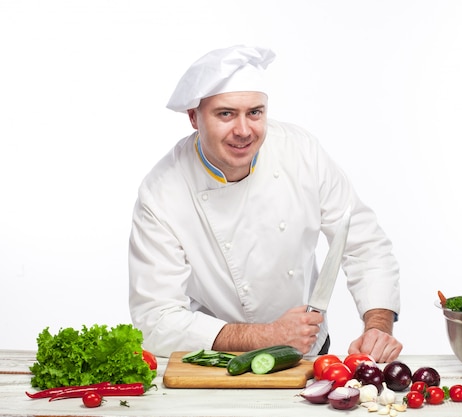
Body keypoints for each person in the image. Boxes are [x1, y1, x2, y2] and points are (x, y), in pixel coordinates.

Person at [128, 45, 402, 362]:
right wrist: (268, 336)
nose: (244, 131)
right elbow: (156, 320)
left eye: (255, 113)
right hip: (218, 359)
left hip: (307, 351)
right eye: (226, 114)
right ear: (193, 117)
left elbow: (364, 242)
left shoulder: (301, 153)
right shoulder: (163, 192)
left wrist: (378, 326)